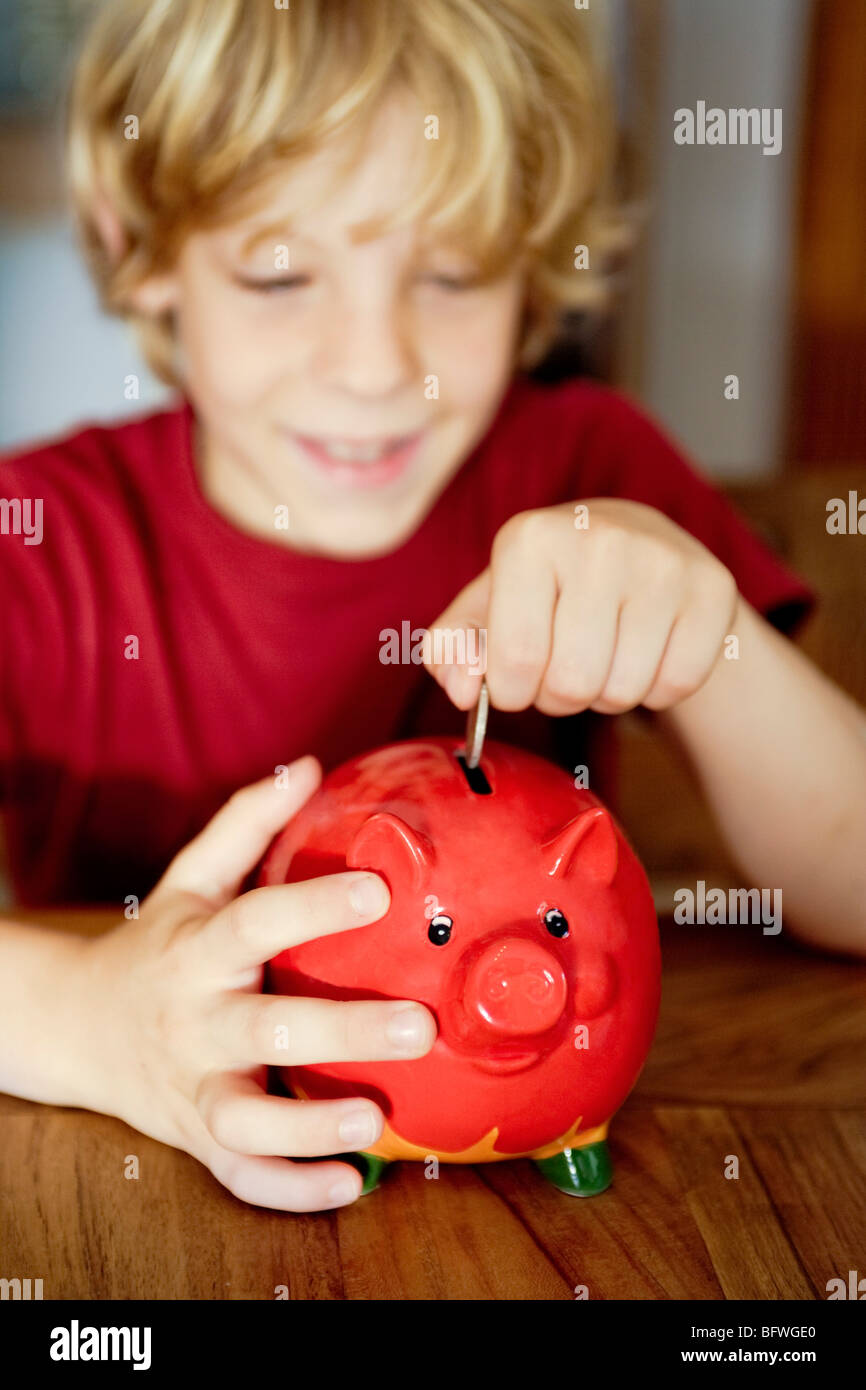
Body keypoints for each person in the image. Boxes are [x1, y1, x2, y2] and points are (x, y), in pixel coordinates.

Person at [1, 0, 863, 1214]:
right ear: (137, 245)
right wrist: (86, 1020)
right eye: (279, 272)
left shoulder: (585, 473)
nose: (370, 365)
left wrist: (706, 644)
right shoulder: (36, 545)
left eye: (451, 272)